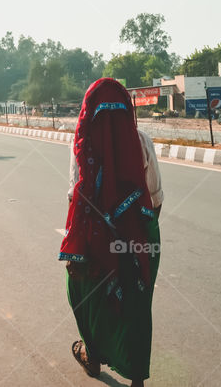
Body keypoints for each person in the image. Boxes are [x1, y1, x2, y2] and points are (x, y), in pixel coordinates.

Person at [59, 78, 162, 387]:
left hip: (93, 238)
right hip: (140, 236)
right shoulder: (141, 140)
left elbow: (74, 196)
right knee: (136, 302)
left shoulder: (82, 143)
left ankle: (92, 355)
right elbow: (155, 197)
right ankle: (136, 379)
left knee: (84, 295)